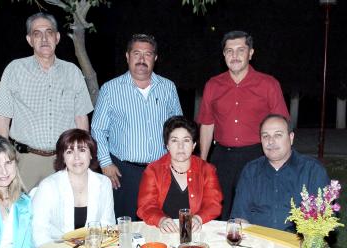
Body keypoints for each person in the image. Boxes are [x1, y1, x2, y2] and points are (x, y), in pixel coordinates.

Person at [0, 12, 93, 191]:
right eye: (37, 34)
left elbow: (81, 120)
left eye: (49, 32)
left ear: (57, 37)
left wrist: (80, 157)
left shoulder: (73, 72)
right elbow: (3, 119)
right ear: (30, 39)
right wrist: (2, 157)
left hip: (62, 160)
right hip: (25, 160)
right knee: (20, 211)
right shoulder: (15, 69)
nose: (44, 38)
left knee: (63, 214)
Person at [196, 30, 289, 220]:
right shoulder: (213, 85)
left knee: (256, 210)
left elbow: (281, 126)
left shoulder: (268, 84)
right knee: (219, 210)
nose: (235, 56)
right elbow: (206, 125)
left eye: (240, 50)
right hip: (222, 157)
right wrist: (203, 163)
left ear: (251, 53)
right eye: (229, 51)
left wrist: (282, 160)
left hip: (257, 156)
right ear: (223, 55)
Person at [91, 34, 182, 220]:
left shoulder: (168, 88)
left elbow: (178, 128)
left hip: (161, 171)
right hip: (124, 173)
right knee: (126, 228)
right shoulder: (110, 89)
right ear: (127, 56)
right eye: (136, 54)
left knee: (161, 226)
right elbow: (98, 129)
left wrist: (178, 161)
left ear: (155, 58)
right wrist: (105, 163)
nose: (142, 59)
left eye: (147, 54)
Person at [230, 114, 330, 231]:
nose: (270, 141)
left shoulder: (312, 171)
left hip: (298, 244)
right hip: (256, 242)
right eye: (265, 136)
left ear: (291, 137)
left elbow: (323, 222)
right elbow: (239, 217)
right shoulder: (251, 171)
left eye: (278, 135)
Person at [137, 116, 223, 233]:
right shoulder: (153, 170)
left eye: (186, 140)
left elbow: (213, 204)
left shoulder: (207, 170)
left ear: (193, 145)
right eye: (174, 140)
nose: (180, 146)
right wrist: (161, 220)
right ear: (167, 145)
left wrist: (199, 218)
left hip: (197, 232)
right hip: (162, 231)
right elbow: (145, 206)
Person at [32, 129, 115, 246]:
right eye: (69, 152)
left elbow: (108, 226)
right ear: (63, 157)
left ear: (91, 154)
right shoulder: (48, 186)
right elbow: (38, 231)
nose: (76, 157)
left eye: (82, 150)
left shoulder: (104, 183)